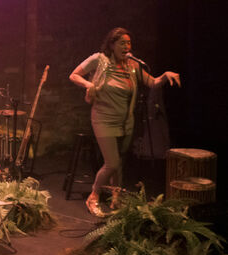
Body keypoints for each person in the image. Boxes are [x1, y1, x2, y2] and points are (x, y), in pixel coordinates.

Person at [69, 27, 180, 217]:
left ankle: (116, 198)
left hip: (125, 121)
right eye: (122, 43)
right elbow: (74, 75)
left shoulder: (133, 65)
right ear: (112, 45)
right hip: (103, 118)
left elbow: (152, 82)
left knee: (119, 161)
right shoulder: (99, 59)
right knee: (111, 163)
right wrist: (89, 84)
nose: (126, 47)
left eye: (128, 43)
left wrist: (165, 75)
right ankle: (93, 196)